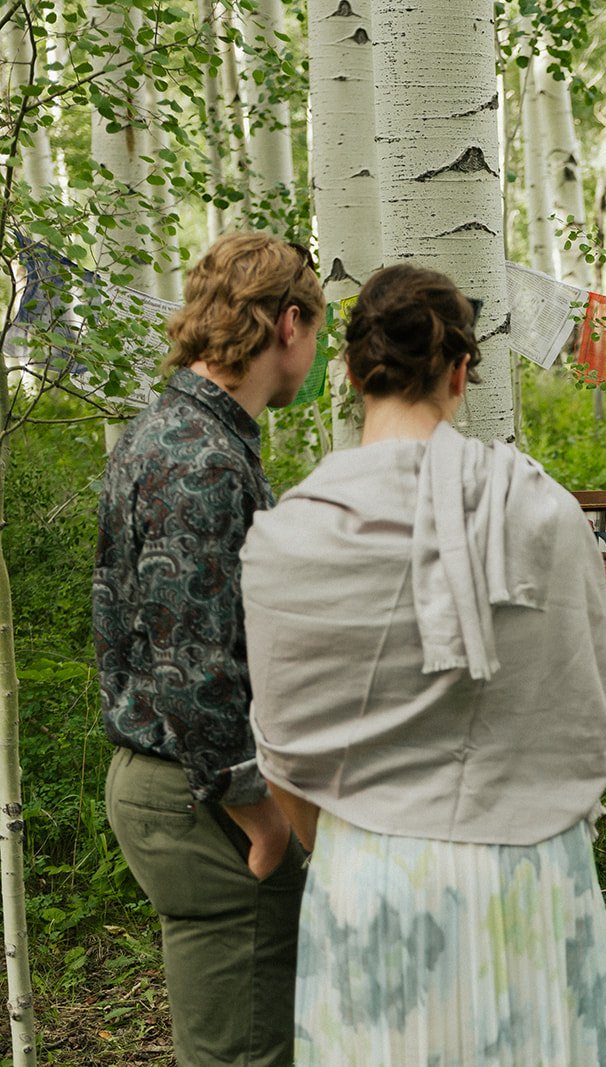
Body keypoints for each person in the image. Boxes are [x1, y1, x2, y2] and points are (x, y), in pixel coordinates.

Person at [239, 263, 606, 1064]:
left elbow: (280, 752)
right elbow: (587, 715)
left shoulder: (286, 539)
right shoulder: (548, 512)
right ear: (459, 372)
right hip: (532, 874)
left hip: (370, 876)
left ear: (351, 373)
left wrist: (360, 832)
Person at [95, 232, 324, 1066]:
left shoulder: (175, 430)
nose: (315, 354)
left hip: (181, 786)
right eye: (317, 332)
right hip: (205, 797)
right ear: (289, 323)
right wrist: (261, 819)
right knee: (243, 1053)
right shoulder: (200, 458)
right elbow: (192, 669)